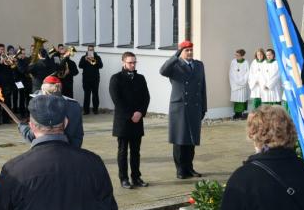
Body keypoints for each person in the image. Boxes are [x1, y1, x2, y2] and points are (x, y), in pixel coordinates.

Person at [159, 40, 207, 179]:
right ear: (181, 52)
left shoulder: (199, 65)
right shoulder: (175, 65)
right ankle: (180, 169)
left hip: (194, 107)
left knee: (191, 140)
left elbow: (203, 87)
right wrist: (176, 55)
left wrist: (204, 107)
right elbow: (162, 70)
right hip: (179, 107)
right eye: (187, 50)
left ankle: (189, 167)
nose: (190, 52)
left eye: (191, 50)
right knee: (179, 140)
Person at [109, 52, 150, 189]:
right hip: (123, 121)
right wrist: (130, 115)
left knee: (135, 151)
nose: (132, 65)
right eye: (130, 62)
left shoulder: (141, 78)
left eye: (134, 62)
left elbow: (146, 97)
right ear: (123, 63)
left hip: (137, 120)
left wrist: (140, 112)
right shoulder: (116, 78)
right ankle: (124, 178)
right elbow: (117, 100)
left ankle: (136, 177)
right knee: (122, 151)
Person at [18, 76, 84, 148]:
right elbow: (78, 134)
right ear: (60, 88)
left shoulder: (39, 106)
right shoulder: (75, 105)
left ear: (43, 89)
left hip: (45, 151)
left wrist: (22, 126)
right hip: (72, 150)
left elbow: (32, 135)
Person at [78, 44, 104, 115]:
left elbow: (101, 66)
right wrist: (85, 60)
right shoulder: (84, 57)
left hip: (95, 79)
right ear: (87, 50)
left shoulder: (97, 57)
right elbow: (80, 66)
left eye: (92, 50)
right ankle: (86, 110)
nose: (90, 51)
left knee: (95, 94)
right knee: (87, 95)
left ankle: (95, 110)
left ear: (94, 50)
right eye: (89, 50)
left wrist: (93, 60)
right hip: (86, 79)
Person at [228, 49, 249, 120]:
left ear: (242, 56)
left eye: (238, 55)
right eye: (236, 55)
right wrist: (236, 81)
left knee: (242, 98)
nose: (236, 56)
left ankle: (241, 113)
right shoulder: (233, 62)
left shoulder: (246, 62)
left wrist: (242, 81)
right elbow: (231, 72)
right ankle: (236, 113)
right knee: (236, 99)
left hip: (242, 84)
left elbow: (247, 73)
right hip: (235, 84)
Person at [15, 47, 32, 116]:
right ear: (19, 54)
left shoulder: (27, 60)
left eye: (24, 54)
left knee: (28, 97)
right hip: (19, 81)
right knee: (21, 97)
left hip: (27, 81)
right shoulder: (17, 61)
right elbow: (21, 70)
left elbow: (29, 69)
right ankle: (22, 113)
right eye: (22, 54)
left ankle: (28, 113)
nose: (23, 55)